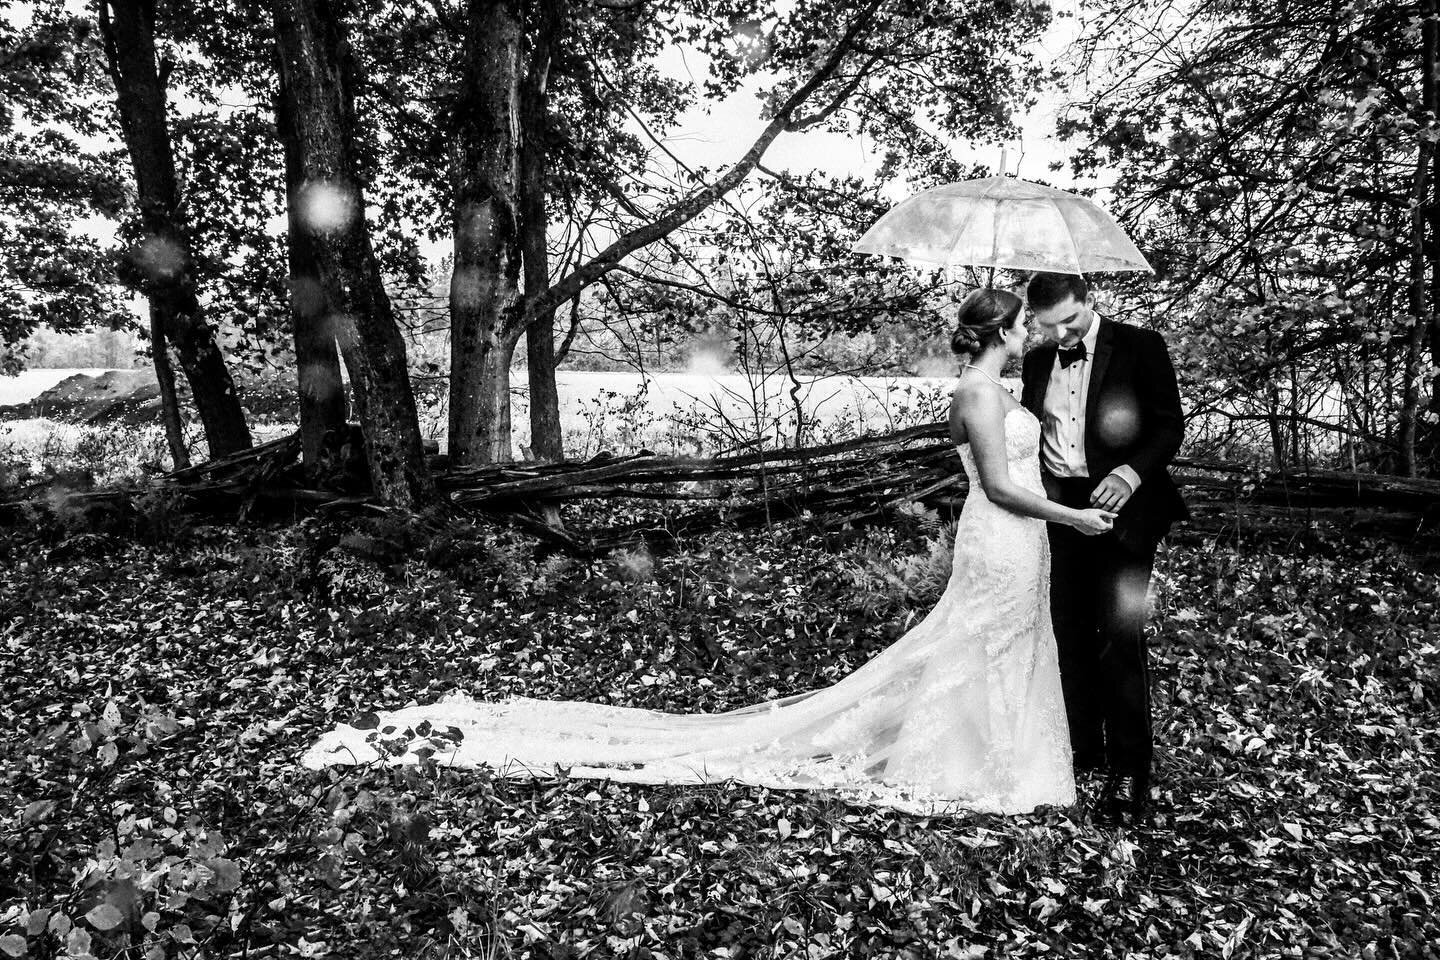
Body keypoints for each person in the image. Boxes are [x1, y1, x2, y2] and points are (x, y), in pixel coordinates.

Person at [303, 288, 1116, 817]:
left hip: (1022, 535)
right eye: (1024, 324)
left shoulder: (1001, 392)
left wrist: (1055, 450)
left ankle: (1001, 758)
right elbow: (1001, 488)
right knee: (979, 638)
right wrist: (1072, 518)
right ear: (1004, 331)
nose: (1032, 333)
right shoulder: (975, 393)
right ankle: (964, 764)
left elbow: (1016, 463)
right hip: (1009, 530)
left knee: (1007, 640)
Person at [1020, 271, 1188, 824]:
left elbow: (1169, 427)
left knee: (1119, 635)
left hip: (1127, 513)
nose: (1062, 334)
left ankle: (1129, 769)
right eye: (1050, 327)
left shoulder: (1140, 346)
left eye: (1070, 321)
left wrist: (1131, 473)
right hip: (1062, 513)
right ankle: (1082, 750)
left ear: (1090, 302)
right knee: (1066, 630)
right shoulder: (1038, 360)